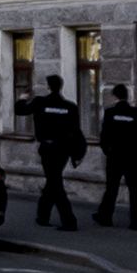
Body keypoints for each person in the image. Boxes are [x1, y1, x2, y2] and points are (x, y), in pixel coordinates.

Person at [94, 81, 137, 230]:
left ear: (115, 97)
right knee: (135, 191)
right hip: (133, 156)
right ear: (127, 97)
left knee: (111, 188)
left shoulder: (110, 113)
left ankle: (106, 217)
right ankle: (136, 222)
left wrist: (108, 151)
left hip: (115, 156)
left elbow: (104, 137)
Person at [29, 79, 84, 230]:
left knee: (55, 184)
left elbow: (21, 110)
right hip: (63, 150)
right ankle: (42, 216)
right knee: (53, 181)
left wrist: (21, 100)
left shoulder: (40, 103)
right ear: (60, 87)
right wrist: (77, 154)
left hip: (48, 149)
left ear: (47, 86)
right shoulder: (70, 107)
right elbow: (76, 132)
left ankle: (69, 222)